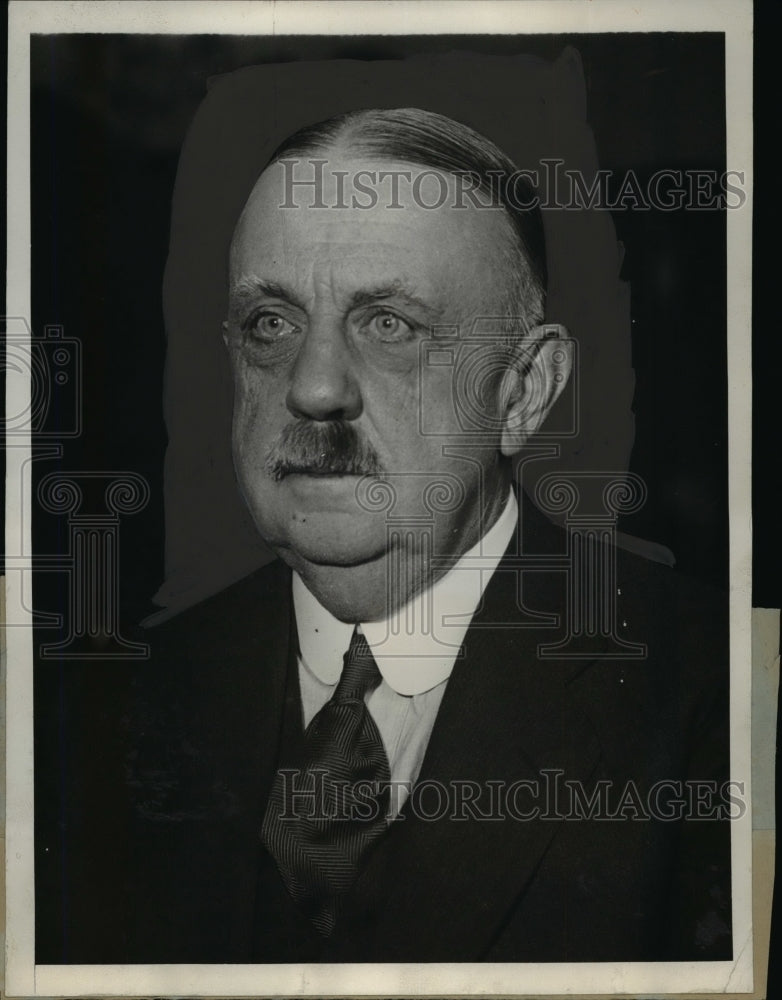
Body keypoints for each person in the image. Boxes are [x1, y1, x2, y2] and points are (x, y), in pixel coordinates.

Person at [36, 107, 732, 965]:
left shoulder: (719, 701)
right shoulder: (85, 722)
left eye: (390, 325)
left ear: (524, 391)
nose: (315, 387)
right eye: (272, 325)